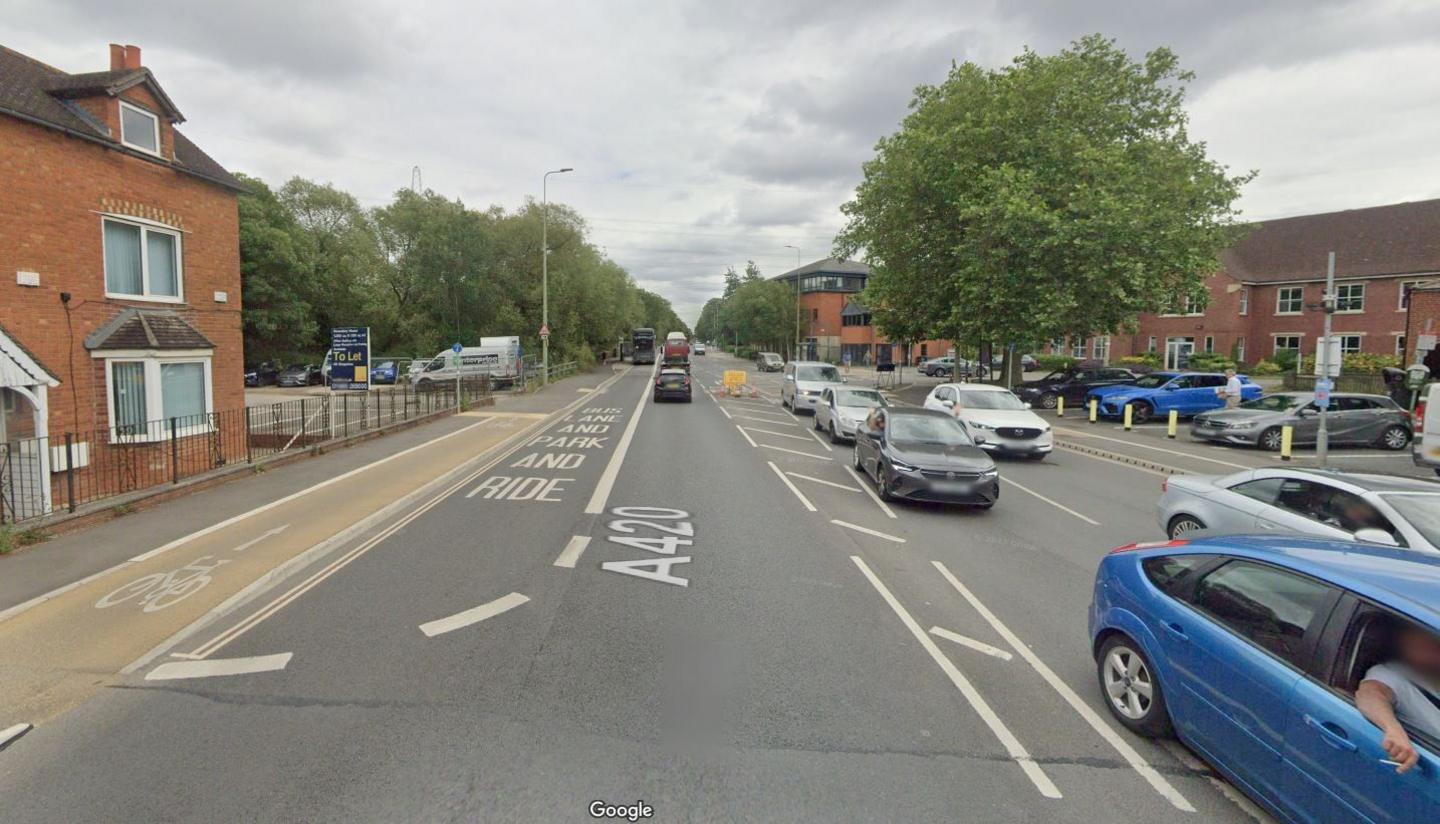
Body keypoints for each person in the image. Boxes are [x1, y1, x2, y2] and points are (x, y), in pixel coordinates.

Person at [1357, 623, 1440, 774]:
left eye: (1435, 643)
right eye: (1421, 647)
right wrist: (1393, 730)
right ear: (1400, 649)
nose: (1434, 651)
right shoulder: (1390, 674)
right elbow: (1371, 694)